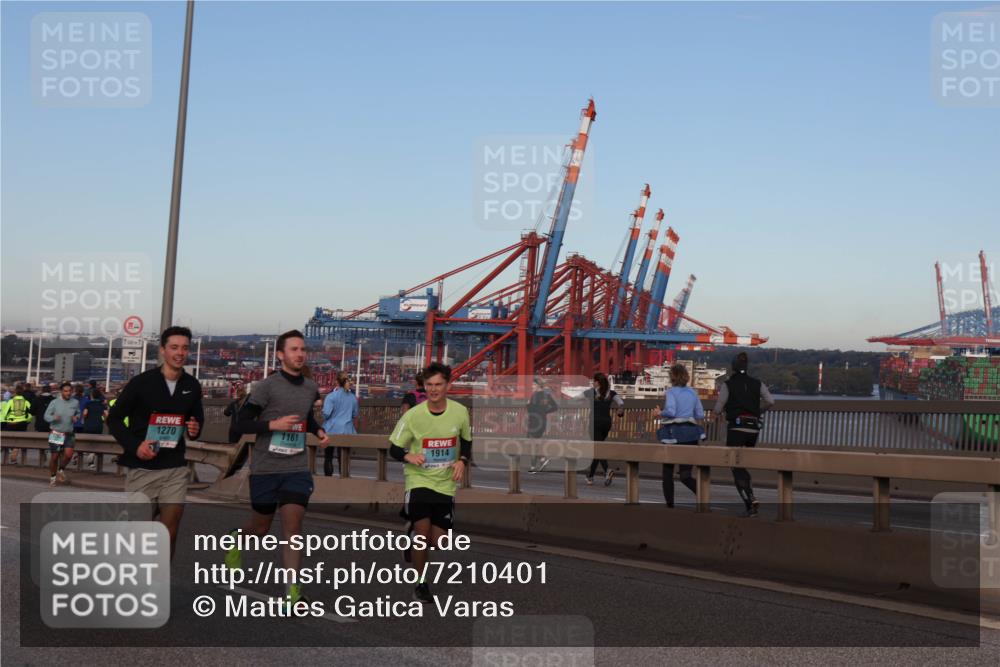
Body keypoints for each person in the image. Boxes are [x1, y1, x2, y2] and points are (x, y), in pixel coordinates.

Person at [224, 330, 329, 607]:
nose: (300, 354)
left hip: (296, 467)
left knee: (293, 529)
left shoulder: (309, 387)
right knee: (260, 529)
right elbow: (241, 424)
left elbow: (305, 416)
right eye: (294, 349)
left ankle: (293, 593)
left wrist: (318, 431)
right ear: (281, 355)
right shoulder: (266, 387)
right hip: (266, 468)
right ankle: (237, 538)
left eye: (303, 349)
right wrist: (272, 425)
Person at [108, 326, 204, 558]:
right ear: (163, 350)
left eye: (184, 348)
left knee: (169, 530)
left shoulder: (192, 385)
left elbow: (196, 419)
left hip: (175, 467)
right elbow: (114, 419)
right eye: (174, 347)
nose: (180, 353)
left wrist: (195, 428)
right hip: (143, 468)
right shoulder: (142, 383)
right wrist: (135, 446)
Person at [388, 362, 471, 604]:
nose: (433, 390)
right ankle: (421, 584)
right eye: (429, 385)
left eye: (438, 385)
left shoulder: (460, 412)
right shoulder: (413, 415)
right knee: (423, 536)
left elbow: (466, 441)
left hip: (445, 484)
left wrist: (462, 461)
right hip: (419, 480)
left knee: (440, 541)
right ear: (424, 387)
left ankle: (411, 533)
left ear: (448, 386)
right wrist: (408, 456)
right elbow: (393, 447)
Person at [713, 352, 775, 518]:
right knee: (743, 463)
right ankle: (750, 496)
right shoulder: (758, 383)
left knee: (735, 464)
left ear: (733, 367)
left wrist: (721, 412)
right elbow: (771, 401)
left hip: (736, 429)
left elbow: (718, 408)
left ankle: (750, 499)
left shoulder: (728, 385)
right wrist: (757, 411)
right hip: (753, 430)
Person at [656, 364, 704, 507]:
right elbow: (700, 414)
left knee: (667, 473)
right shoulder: (693, 392)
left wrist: (659, 413)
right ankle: (703, 494)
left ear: (672, 376)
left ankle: (670, 505)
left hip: (673, 435)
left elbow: (670, 411)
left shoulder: (671, 392)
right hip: (691, 435)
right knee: (685, 475)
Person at [583, 373, 624, 486]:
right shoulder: (611, 393)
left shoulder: (591, 392)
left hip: (594, 423)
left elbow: (575, 399)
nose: (592, 383)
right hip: (606, 423)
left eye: (593, 381)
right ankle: (590, 476)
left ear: (597, 382)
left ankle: (607, 470)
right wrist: (620, 411)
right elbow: (621, 403)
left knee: (597, 448)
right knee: (598, 447)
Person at [321, 372, 360, 476]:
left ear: (337, 382)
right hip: (347, 430)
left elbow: (326, 414)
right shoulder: (353, 398)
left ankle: (328, 479)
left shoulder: (331, 397)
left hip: (331, 430)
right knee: (343, 457)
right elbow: (355, 414)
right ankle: (344, 478)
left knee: (328, 456)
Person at [44, 382, 80, 486]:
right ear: (61, 392)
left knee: (69, 455)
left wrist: (76, 417)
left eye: (70, 391)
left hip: (69, 432)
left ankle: (61, 469)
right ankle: (53, 478)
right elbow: (46, 416)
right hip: (56, 432)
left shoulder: (75, 402)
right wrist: (53, 418)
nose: (68, 393)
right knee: (54, 457)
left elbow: (78, 412)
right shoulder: (54, 402)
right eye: (66, 391)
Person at [527, 377, 559, 473]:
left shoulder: (534, 396)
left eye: (533, 384)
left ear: (537, 385)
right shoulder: (546, 395)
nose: (532, 386)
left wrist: (528, 404)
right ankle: (541, 459)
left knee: (533, 444)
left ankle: (533, 466)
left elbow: (531, 410)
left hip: (534, 422)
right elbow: (555, 407)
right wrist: (545, 411)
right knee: (536, 443)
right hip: (542, 421)